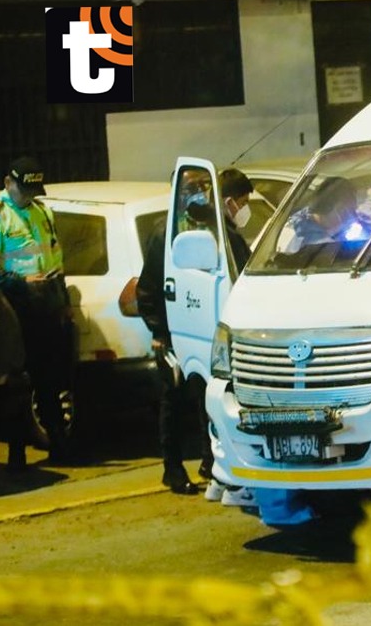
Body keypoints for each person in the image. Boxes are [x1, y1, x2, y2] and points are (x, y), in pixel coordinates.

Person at [138, 167, 254, 495]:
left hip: (210, 329)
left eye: (203, 186)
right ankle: (172, 469)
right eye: (192, 187)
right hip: (177, 330)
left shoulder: (216, 229)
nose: (199, 192)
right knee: (173, 401)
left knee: (210, 398)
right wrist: (160, 332)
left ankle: (210, 462)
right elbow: (149, 289)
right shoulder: (168, 233)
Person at [0, 156, 74, 462]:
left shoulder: (42, 212)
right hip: (11, 308)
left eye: (33, 189)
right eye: (23, 189)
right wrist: (21, 281)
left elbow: (55, 257)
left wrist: (63, 300)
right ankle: (17, 453)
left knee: (48, 379)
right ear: (8, 183)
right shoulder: (2, 214)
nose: (29, 196)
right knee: (16, 384)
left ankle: (58, 445)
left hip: (45, 304)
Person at [0, 286, 29, 473]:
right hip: (9, 365)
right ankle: (17, 459)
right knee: (12, 413)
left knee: (11, 412)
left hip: (6, 367)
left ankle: (17, 460)